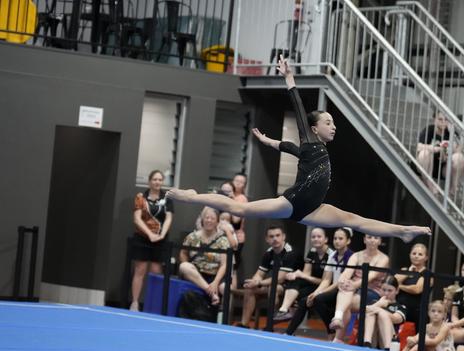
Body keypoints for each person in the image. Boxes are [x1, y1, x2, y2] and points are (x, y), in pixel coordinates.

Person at [167, 56, 430, 243]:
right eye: (328, 122)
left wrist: (269, 142)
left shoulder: (314, 150)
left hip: (314, 208)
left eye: (334, 122)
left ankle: (402, 231)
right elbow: (299, 112)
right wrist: (290, 78)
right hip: (292, 203)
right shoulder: (310, 141)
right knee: (242, 210)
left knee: (354, 220)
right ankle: (193, 197)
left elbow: (288, 147)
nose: (333, 126)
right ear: (314, 128)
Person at [285, 227, 354, 337]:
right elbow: (326, 279)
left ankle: (331, 330)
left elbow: (339, 282)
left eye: (340, 238)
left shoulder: (351, 257)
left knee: (317, 299)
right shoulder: (333, 255)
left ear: (348, 241)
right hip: (332, 288)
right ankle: (288, 333)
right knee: (305, 300)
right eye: (335, 238)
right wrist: (315, 292)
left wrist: (319, 293)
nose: (337, 241)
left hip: (344, 291)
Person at [329, 234, 390, 343]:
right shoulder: (356, 256)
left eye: (376, 237)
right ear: (364, 239)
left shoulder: (383, 258)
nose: (372, 240)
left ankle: (338, 334)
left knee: (347, 300)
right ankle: (337, 322)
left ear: (380, 241)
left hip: (372, 292)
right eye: (369, 237)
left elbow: (371, 276)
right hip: (353, 289)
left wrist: (353, 285)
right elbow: (347, 272)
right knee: (345, 293)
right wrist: (343, 281)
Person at [130, 170, 174, 312]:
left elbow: (168, 218)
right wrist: (149, 234)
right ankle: (135, 302)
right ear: (149, 181)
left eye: (160, 180)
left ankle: (153, 305)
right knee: (140, 270)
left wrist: (161, 235)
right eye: (154, 179)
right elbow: (137, 218)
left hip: (160, 239)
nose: (157, 182)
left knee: (156, 271)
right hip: (142, 238)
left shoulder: (168, 199)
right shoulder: (140, 197)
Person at [239, 226, 297, 328]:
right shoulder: (269, 253)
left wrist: (259, 283)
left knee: (272, 288)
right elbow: (260, 273)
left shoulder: (290, 253)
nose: (275, 239)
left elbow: (280, 278)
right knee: (250, 289)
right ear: (267, 239)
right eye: (271, 236)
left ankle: (270, 325)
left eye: (278, 235)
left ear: (284, 237)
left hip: (291, 287)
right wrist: (254, 282)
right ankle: (244, 324)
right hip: (275, 284)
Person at [178, 207, 237, 305]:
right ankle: (211, 293)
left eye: (212, 218)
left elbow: (224, 264)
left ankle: (224, 318)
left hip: (215, 275)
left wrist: (216, 282)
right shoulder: (192, 237)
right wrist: (186, 263)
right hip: (197, 273)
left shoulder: (223, 240)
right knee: (184, 266)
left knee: (225, 288)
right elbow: (183, 253)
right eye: (207, 217)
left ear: (217, 222)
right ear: (202, 220)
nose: (209, 220)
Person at [273, 227, 333, 322]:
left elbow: (325, 281)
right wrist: (295, 275)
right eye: (313, 237)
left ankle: (288, 312)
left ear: (326, 239)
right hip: (312, 284)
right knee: (294, 281)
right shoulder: (312, 252)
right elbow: (305, 273)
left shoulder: (331, 255)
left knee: (301, 295)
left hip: (325, 287)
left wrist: (301, 275)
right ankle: (283, 310)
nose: (316, 239)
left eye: (319, 236)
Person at [415, 112, 464, 196]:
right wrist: (436, 149)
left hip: (442, 169)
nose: (443, 122)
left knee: (459, 157)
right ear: (435, 120)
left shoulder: (450, 133)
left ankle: (453, 189)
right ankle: (430, 184)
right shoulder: (429, 130)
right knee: (424, 154)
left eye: (446, 120)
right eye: (440, 119)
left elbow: (460, 148)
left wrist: (449, 152)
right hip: (427, 165)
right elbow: (419, 147)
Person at [362, 275, 408, 349]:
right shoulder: (374, 302)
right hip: (373, 339)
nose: (386, 293)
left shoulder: (401, 307)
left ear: (397, 291)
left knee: (381, 313)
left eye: (390, 290)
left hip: (390, 342)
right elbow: (361, 316)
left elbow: (396, 319)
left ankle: (387, 348)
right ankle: (367, 343)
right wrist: (378, 304)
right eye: (383, 290)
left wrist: (379, 310)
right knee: (370, 313)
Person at [396, 243, 429, 328]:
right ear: (410, 255)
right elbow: (392, 283)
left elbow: (417, 289)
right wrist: (408, 273)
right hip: (399, 306)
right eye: (414, 253)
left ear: (426, 257)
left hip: (417, 310)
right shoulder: (404, 270)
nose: (416, 256)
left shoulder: (427, 274)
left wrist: (400, 286)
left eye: (420, 254)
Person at [231, 173, 248, 272]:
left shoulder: (242, 199)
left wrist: (231, 199)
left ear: (244, 185)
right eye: (236, 181)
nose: (238, 184)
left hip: (237, 236)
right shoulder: (228, 195)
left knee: (232, 266)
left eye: (241, 182)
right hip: (225, 235)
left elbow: (236, 220)